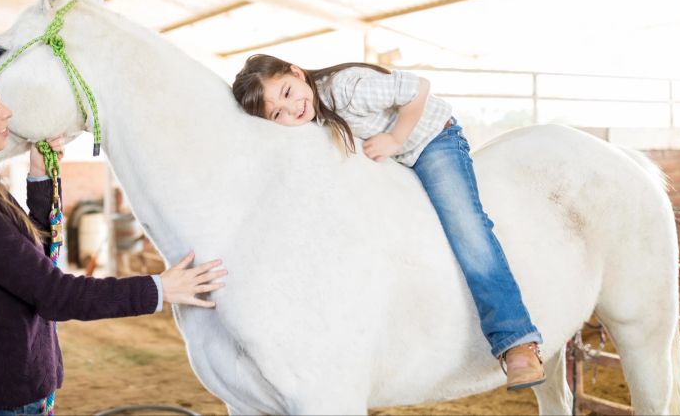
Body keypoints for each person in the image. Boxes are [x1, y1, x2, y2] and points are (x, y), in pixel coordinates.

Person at [0, 53, 226, 415]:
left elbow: (32, 259)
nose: (8, 113)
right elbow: (54, 294)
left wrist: (41, 176)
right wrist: (159, 289)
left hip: (1, 398)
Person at [232, 54, 544, 390]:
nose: (291, 109)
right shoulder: (306, 123)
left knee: (466, 227)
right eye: (277, 112)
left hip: (429, 141)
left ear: (295, 72)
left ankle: (516, 341)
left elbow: (418, 89)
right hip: (392, 159)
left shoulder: (347, 88)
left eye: (288, 92)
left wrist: (396, 138)